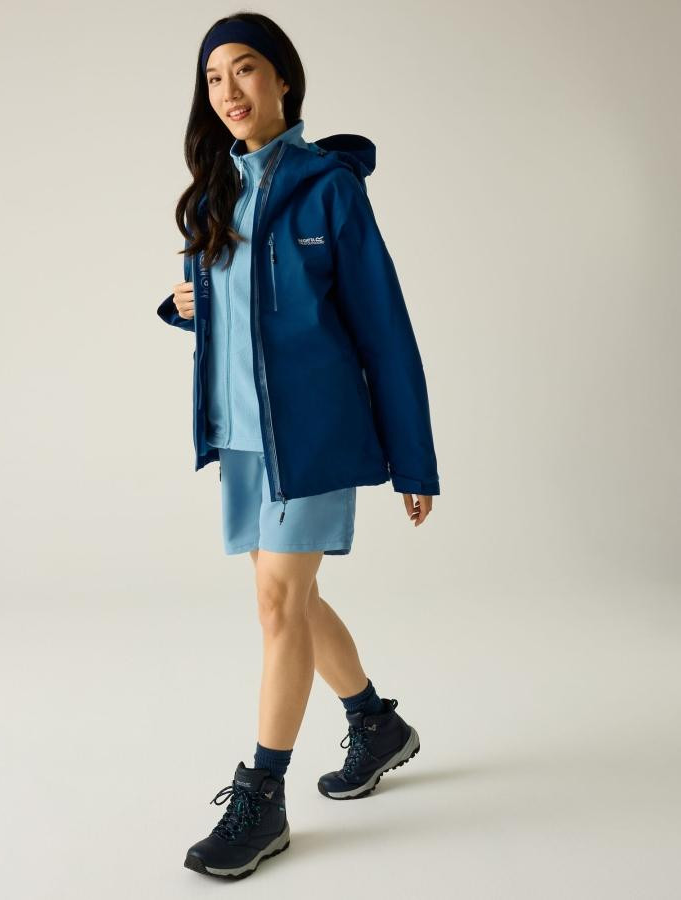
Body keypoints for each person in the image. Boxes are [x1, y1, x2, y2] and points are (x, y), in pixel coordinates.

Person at [156, 11, 440, 880]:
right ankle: (375, 724)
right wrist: (184, 305)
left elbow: (384, 328)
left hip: (313, 435)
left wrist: (413, 457)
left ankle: (263, 797)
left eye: (245, 69)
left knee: (280, 606)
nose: (229, 91)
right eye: (213, 78)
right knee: (291, 599)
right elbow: (243, 315)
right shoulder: (216, 191)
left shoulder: (330, 189)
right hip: (244, 437)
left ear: (283, 78)